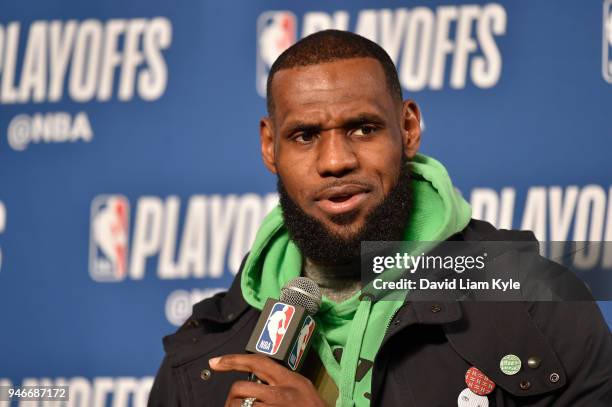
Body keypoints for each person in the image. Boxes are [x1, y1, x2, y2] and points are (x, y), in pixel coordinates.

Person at [148, 30, 612, 407]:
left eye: (362, 128)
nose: (335, 161)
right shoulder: (202, 358)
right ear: (270, 147)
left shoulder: (537, 306)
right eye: (305, 136)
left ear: (407, 129)